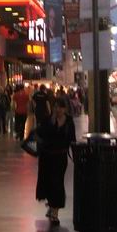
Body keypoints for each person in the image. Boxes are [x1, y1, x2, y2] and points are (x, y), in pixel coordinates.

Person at [35, 95, 76, 225]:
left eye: (60, 107)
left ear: (65, 109)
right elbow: (39, 133)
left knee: (57, 183)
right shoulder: (48, 120)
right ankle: (52, 205)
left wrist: (76, 155)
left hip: (60, 157)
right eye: (55, 107)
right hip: (47, 157)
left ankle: (54, 212)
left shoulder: (69, 122)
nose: (57, 110)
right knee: (48, 183)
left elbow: (72, 139)